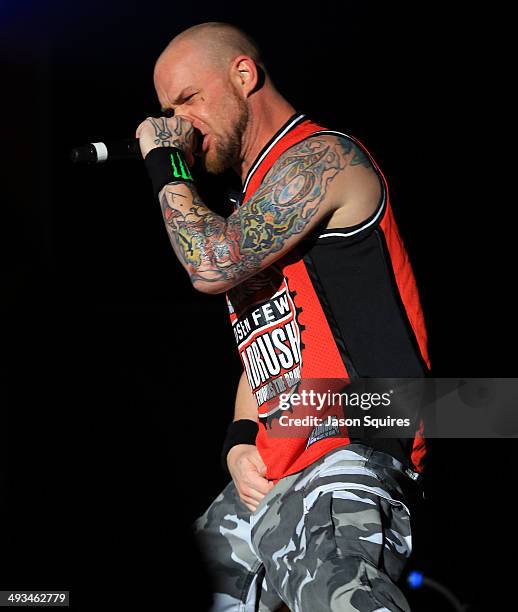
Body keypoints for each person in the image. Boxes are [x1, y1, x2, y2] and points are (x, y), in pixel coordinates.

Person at [136, 22, 430, 612]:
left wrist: (165, 163)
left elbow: (211, 264)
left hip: (351, 444)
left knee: (341, 593)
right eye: (166, 110)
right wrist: (240, 440)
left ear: (243, 75)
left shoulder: (322, 158)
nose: (178, 123)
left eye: (188, 100)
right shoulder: (249, 206)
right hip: (274, 466)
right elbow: (269, 343)